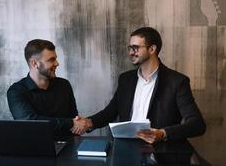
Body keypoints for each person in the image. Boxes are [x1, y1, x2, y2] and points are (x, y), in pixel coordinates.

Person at [72, 27, 206, 143]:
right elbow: (110, 112)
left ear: (152, 49)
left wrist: (162, 134)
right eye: (130, 48)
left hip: (160, 151)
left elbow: (197, 124)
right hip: (125, 149)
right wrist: (88, 123)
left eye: (135, 48)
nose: (131, 52)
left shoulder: (177, 82)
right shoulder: (126, 79)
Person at [7, 39, 84, 137]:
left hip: (68, 145)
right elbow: (30, 123)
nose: (57, 63)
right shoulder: (16, 92)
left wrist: (76, 127)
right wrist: (70, 123)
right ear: (35, 64)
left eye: (55, 59)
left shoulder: (64, 85)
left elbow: (74, 121)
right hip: (34, 149)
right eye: (51, 60)